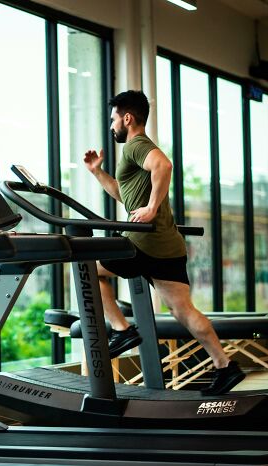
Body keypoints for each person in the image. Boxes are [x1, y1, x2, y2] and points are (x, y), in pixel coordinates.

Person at [84, 90, 245, 396]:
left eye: (113, 119)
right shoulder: (135, 151)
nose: (112, 126)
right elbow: (125, 195)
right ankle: (224, 365)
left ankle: (122, 331)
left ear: (127, 118)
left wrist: (152, 208)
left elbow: (164, 166)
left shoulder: (137, 145)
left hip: (143, 242)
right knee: (183, 310)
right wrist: (97, 172)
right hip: (168, 245)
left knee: (89, 269)